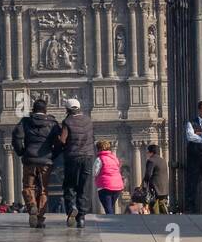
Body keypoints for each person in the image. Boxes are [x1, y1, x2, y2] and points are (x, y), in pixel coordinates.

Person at [11, 97, 62, 228]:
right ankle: (40, 218)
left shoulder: (26, 121)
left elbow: (17, 136)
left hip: (30, 159)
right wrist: (53, 155)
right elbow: (59, 141)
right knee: (44, 189)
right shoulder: (53, 123)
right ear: (45, 110)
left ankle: (32, 206)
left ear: (33, 109)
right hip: (46, 160)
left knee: (28, 186)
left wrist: (21, 151)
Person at [56, 97, 95, 228]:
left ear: (68, 110)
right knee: (84, 186)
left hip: (73, 157)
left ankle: (71, 208)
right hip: (88, 157)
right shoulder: (88, 120)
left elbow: (62, 140)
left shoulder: (67, 121)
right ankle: (82, 217)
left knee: (70, 185)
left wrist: (58, 140)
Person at [94, 141, 125, 214]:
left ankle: (111, 224)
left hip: (105, 187)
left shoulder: (99, 159)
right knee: (110, 206)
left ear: (98, 149)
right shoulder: (114, 158)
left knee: (108, 208)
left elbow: (95, 172)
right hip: (117, 187)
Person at [143, 144, 169, 214]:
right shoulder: (163, 160)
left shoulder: (151, 160)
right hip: (164, 188)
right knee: (161, 203)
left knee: (153, 205)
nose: (147, 153)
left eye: (148, 151)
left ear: (151, 152)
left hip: (155, 188)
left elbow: (148, 175)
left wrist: (144, 183)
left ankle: (156, 217)